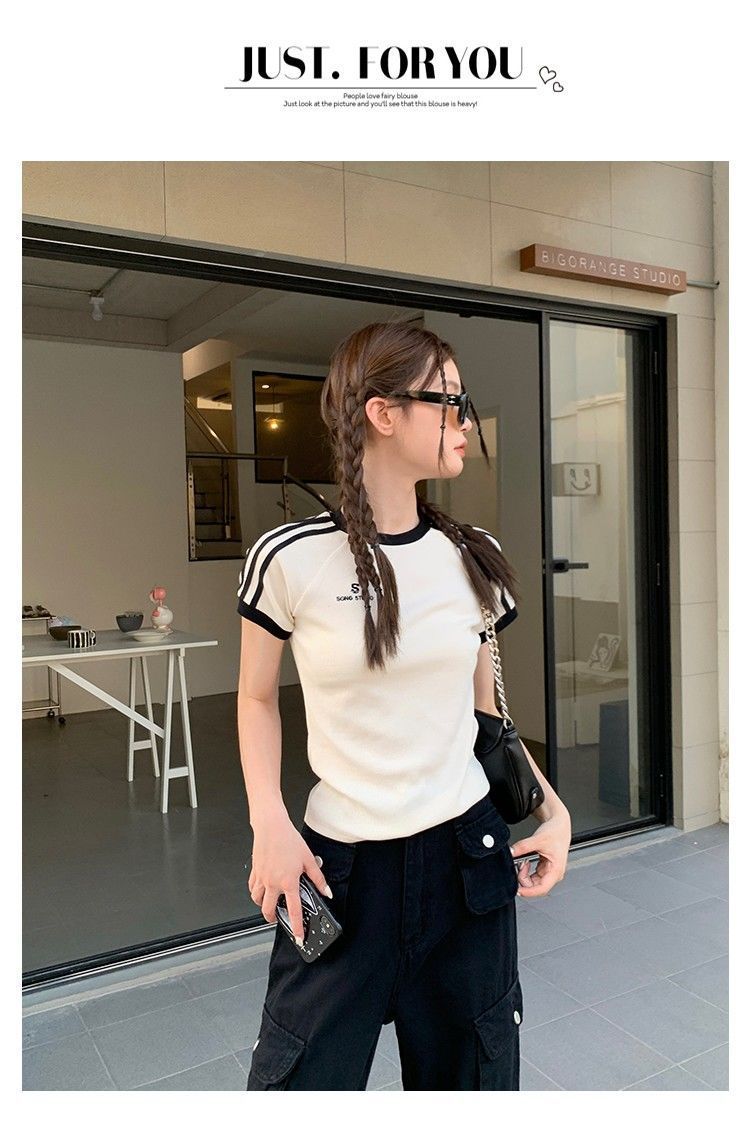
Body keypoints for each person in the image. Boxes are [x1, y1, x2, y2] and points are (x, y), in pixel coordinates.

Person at [236, 321, 572, 1090]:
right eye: (449, 400)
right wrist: (269, 824)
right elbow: (255, 698)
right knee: (298, 1089)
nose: (467, 420)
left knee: (472, 1089)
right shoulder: (288, 558)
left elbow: (488, 721)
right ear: (383, 413)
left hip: (466, 864)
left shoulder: (472, 555)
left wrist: (554, 814)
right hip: (340, 873)